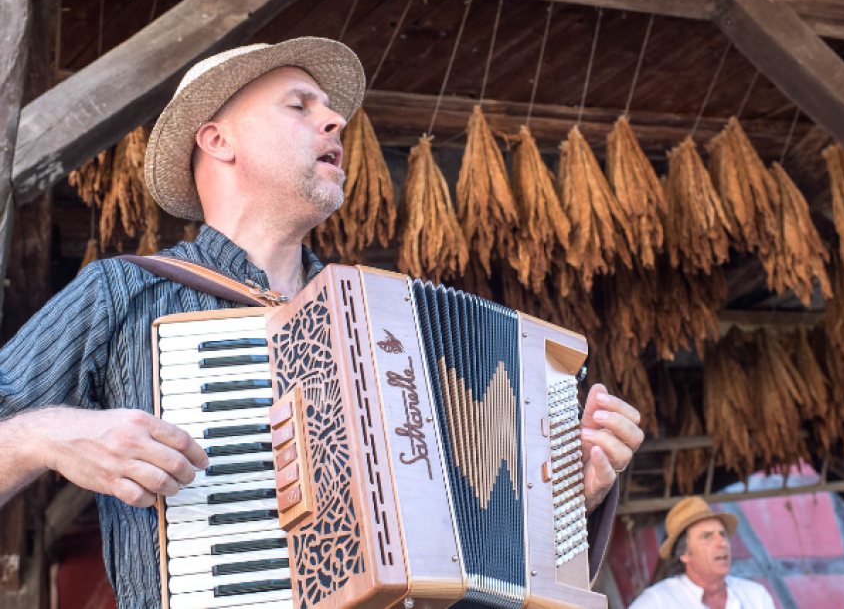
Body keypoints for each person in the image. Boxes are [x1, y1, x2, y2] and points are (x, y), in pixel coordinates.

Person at [0, 37, 644, 606]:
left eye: (328, 109)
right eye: (299, 105)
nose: (336, 119)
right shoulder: (126, 292)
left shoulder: (387, 327)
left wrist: (563, 503)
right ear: (217, 140)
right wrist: (47, 434)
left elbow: (465, 573)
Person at [629, 497, 776, 609]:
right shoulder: (657, 602)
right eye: (707, 536)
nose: (722, 543)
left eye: (723, 534)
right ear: (684, 553)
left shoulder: (756, 596)